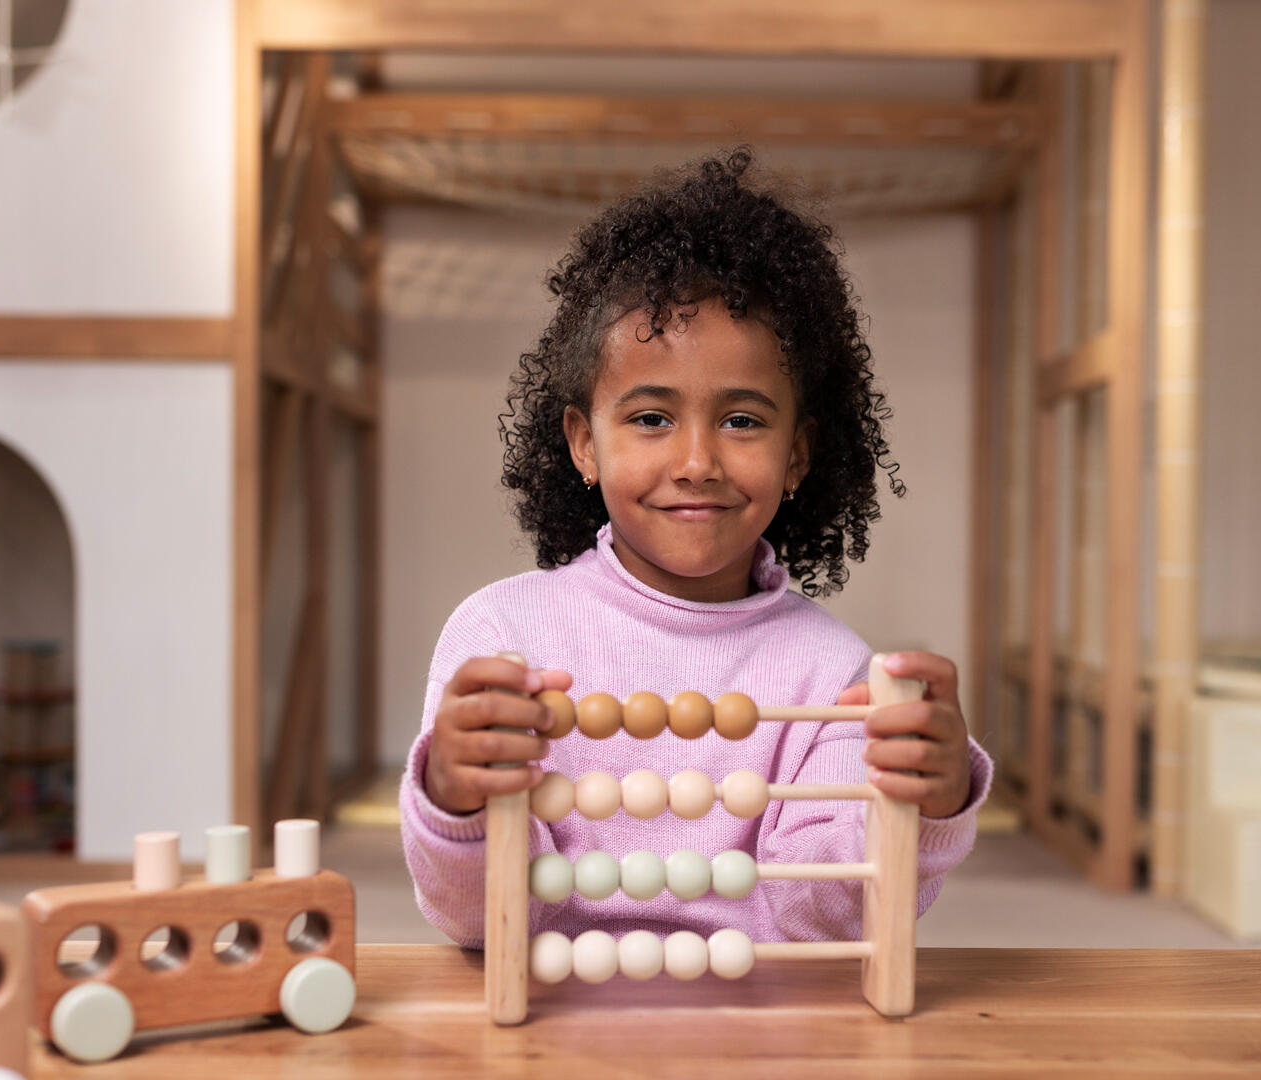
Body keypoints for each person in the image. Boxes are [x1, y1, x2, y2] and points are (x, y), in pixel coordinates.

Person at [400, 148, 991, 948]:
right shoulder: (502, 640)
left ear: (797, 456)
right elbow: (479, 922)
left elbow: (828, 917)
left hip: (760, 1037)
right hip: (547, 1032)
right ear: (583, 443)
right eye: (650, 418)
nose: (696, 462)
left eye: (743, 420)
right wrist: (453, 798)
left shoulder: (835, 679)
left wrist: (925, 802)